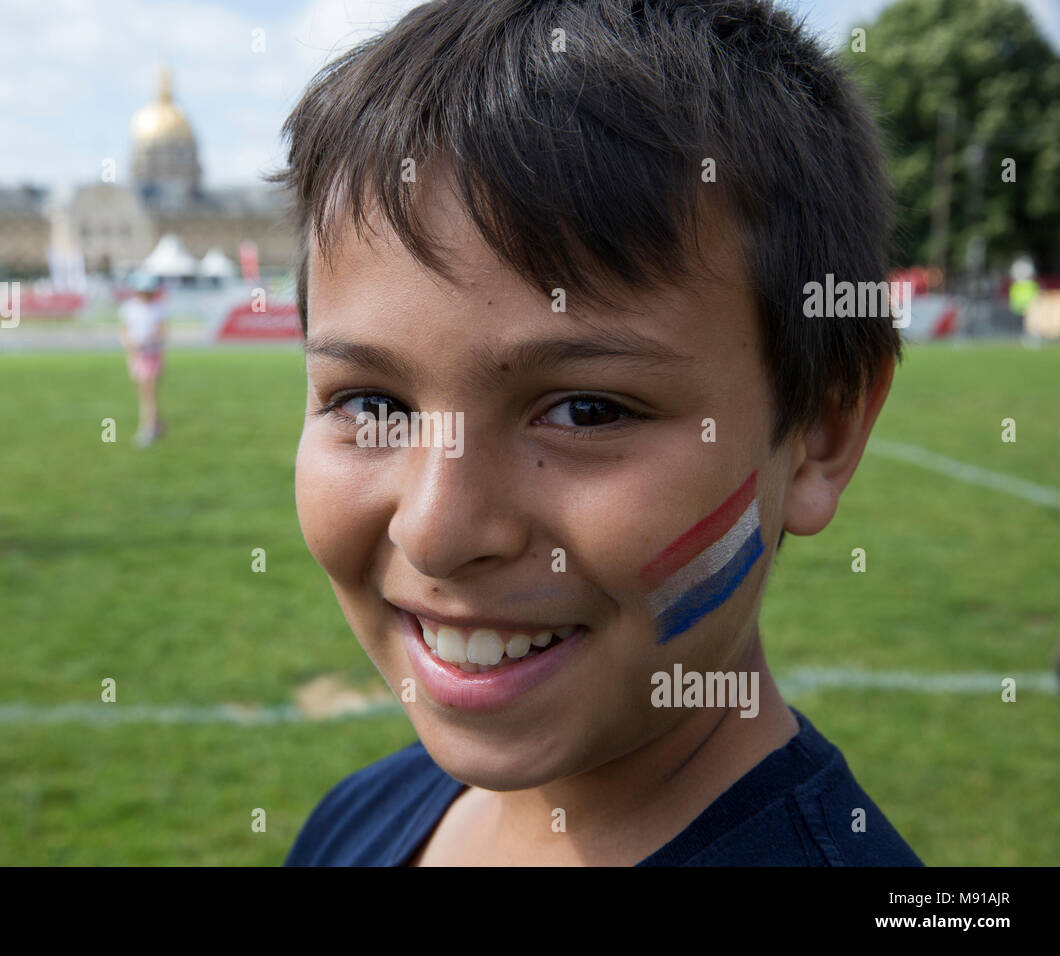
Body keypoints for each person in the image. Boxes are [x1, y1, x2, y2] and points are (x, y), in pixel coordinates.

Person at [276, 0, 922, 865]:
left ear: (822, 432)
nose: (435, 530)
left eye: (588, 410)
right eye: (372, 405)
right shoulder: (358, 819)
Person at [119, 273, 167, 447]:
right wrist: (130, 344)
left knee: (149, 393)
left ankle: (147, 429)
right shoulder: (129, 308)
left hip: (151, 355)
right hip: (136, 355)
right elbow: (124, 329)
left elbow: (162, 331)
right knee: (144, 393)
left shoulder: (157, 307)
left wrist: (148, 341)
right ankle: (158, 423)